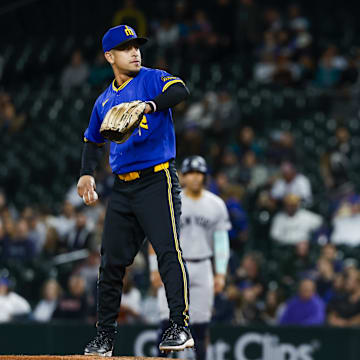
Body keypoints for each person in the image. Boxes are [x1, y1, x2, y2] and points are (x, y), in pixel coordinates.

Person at [77, 25, 192, 356]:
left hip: (157, 181)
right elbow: (91, 138)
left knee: (168, 252)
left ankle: (179, 326)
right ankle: (105, 336)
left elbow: (181, 90)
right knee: (111, 263)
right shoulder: (103, 100)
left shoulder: (153, 79)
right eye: (126, 48)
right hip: (123, 188)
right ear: (109, 56)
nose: (135, 52)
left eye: (136, 46)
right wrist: (86, 173)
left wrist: (150, 106)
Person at [150, 156, 231, 360]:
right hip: (174, 265)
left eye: (199, 173)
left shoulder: (216, 204)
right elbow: (155, 237)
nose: (195, 178)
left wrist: (220, 273)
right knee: (166, 324)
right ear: (183, 176)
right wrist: (154, 268)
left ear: (205, 177)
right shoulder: (169, 199)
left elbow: (221, 242)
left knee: (201, 327)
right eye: (191, 173)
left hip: (203, 265)